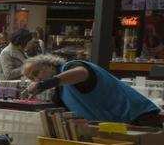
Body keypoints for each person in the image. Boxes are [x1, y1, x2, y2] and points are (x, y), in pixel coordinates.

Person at [24, 54, 161, 126]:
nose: (36, 79)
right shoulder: (61, 92)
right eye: (32, 78)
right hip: (119, 127)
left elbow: (81, 73)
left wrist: (45, 84)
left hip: (138, 119)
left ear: (49, 65)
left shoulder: (70, 67)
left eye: (36, 73)